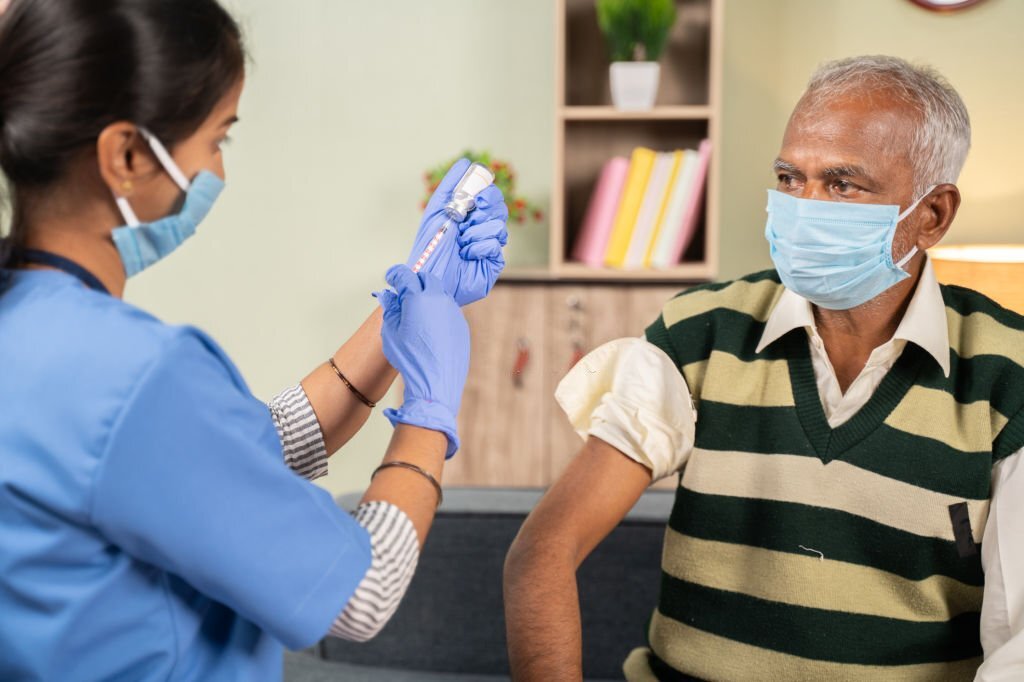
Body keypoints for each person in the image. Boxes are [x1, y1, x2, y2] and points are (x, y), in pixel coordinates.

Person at [0, 1, 508, 680]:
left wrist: (405, 308)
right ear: (125, 155)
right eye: (217, 139)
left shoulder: (32, 328)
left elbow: (227, 456)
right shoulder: (136, 375)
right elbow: (363, 594)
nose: (218, 171)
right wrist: (431, 409)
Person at [504, 55, 1024, 681]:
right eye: (789, 177)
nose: (803, 207)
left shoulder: (1007, 375)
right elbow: (543, 552)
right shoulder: (700, 333)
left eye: (841, 184)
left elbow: (1016, 645)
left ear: (933, 214)